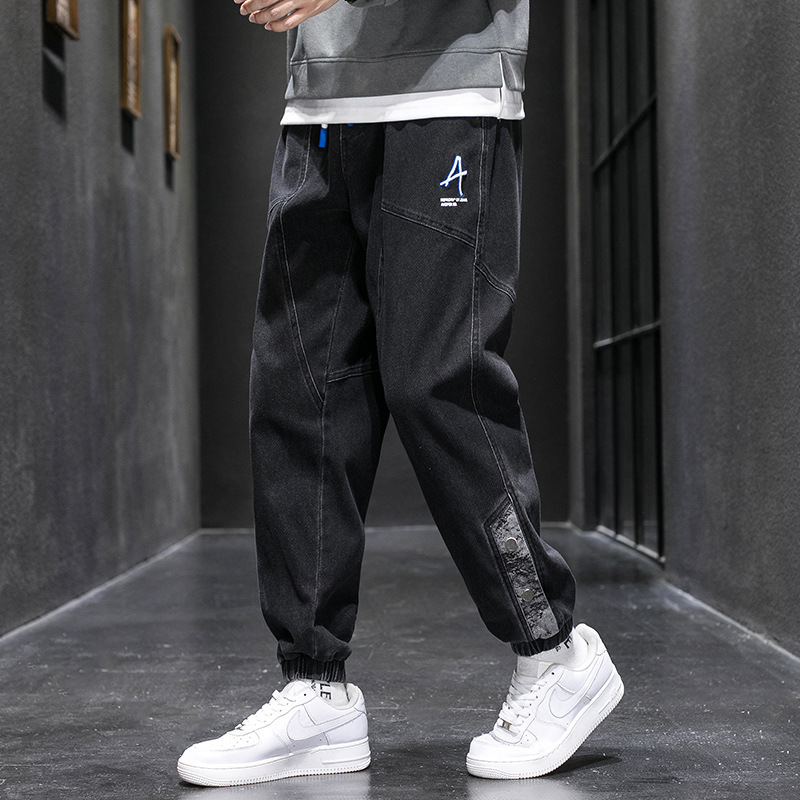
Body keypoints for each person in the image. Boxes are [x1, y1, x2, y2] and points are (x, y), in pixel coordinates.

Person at [177, 0, 623, 786]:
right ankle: (315, 684)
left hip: (446, 91)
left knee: (435, 379)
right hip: (321, 103)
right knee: (299, 391)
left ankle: (555, 653)